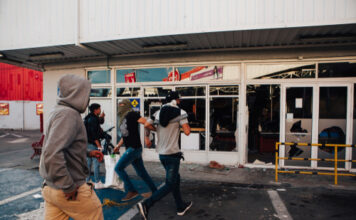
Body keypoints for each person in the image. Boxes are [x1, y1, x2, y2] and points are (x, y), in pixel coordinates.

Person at [39, 74, 104, 220]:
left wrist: (87, 153)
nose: (88, 100)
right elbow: (53, 153)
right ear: (77, 94)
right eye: (86, 94)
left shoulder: (58, 111)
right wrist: (67, 185)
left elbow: (60, 147)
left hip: (51, 189)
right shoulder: (69, 114)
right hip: (69, 189)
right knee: (95, 213)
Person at [137, 91, 193, 219]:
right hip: (173, 154)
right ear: (175, 101)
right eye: (178, 100)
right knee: (169, 184)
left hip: (162, 154)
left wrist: (155, 131)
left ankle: (180, 206)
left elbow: (146, 124)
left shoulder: (158, 112)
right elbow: (188, 132)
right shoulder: (181, 112)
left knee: (175, 180)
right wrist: (181, 125)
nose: (179, 101)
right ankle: (146, 205)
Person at [113, 99, 157, 201]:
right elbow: (125, 135)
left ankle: (132, 191)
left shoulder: (132, 114)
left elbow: (146, 123)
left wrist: (151, 133)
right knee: (142, 173)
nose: (120, 106)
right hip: (132, 148)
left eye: (123, 104)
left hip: (134, 148)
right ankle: (155, 190)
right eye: (119, 104)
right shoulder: (123, 117)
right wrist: (118, 146)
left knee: (118, 168)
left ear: (127, 105)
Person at [84, 103, 106, 189]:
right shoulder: (93, 119)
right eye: (99, 109)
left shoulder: (90, 117)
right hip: (92, 143)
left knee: (88, 163)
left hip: (87, 142)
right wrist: (99, 145)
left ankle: (87, 181)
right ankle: (97, 182)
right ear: (95, 110)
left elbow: (100, 121)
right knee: (96, 162)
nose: (100, 110)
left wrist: (102, 116)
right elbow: (93, 134)